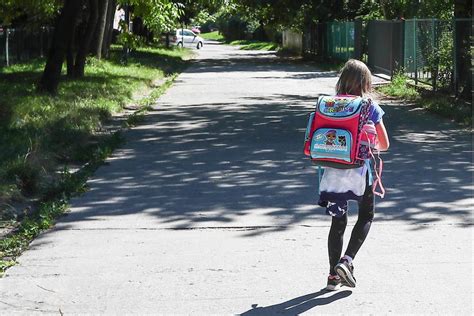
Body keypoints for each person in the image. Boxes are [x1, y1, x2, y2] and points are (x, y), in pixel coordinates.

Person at [324, 59, 390, 291]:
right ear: (365, 82)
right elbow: (385, 143)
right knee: (366, 216)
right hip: (360, 172)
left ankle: (333, 277)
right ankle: (347, 260)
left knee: (338, 221)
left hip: (331, 171)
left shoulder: (328, 104)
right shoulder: (369, 106)